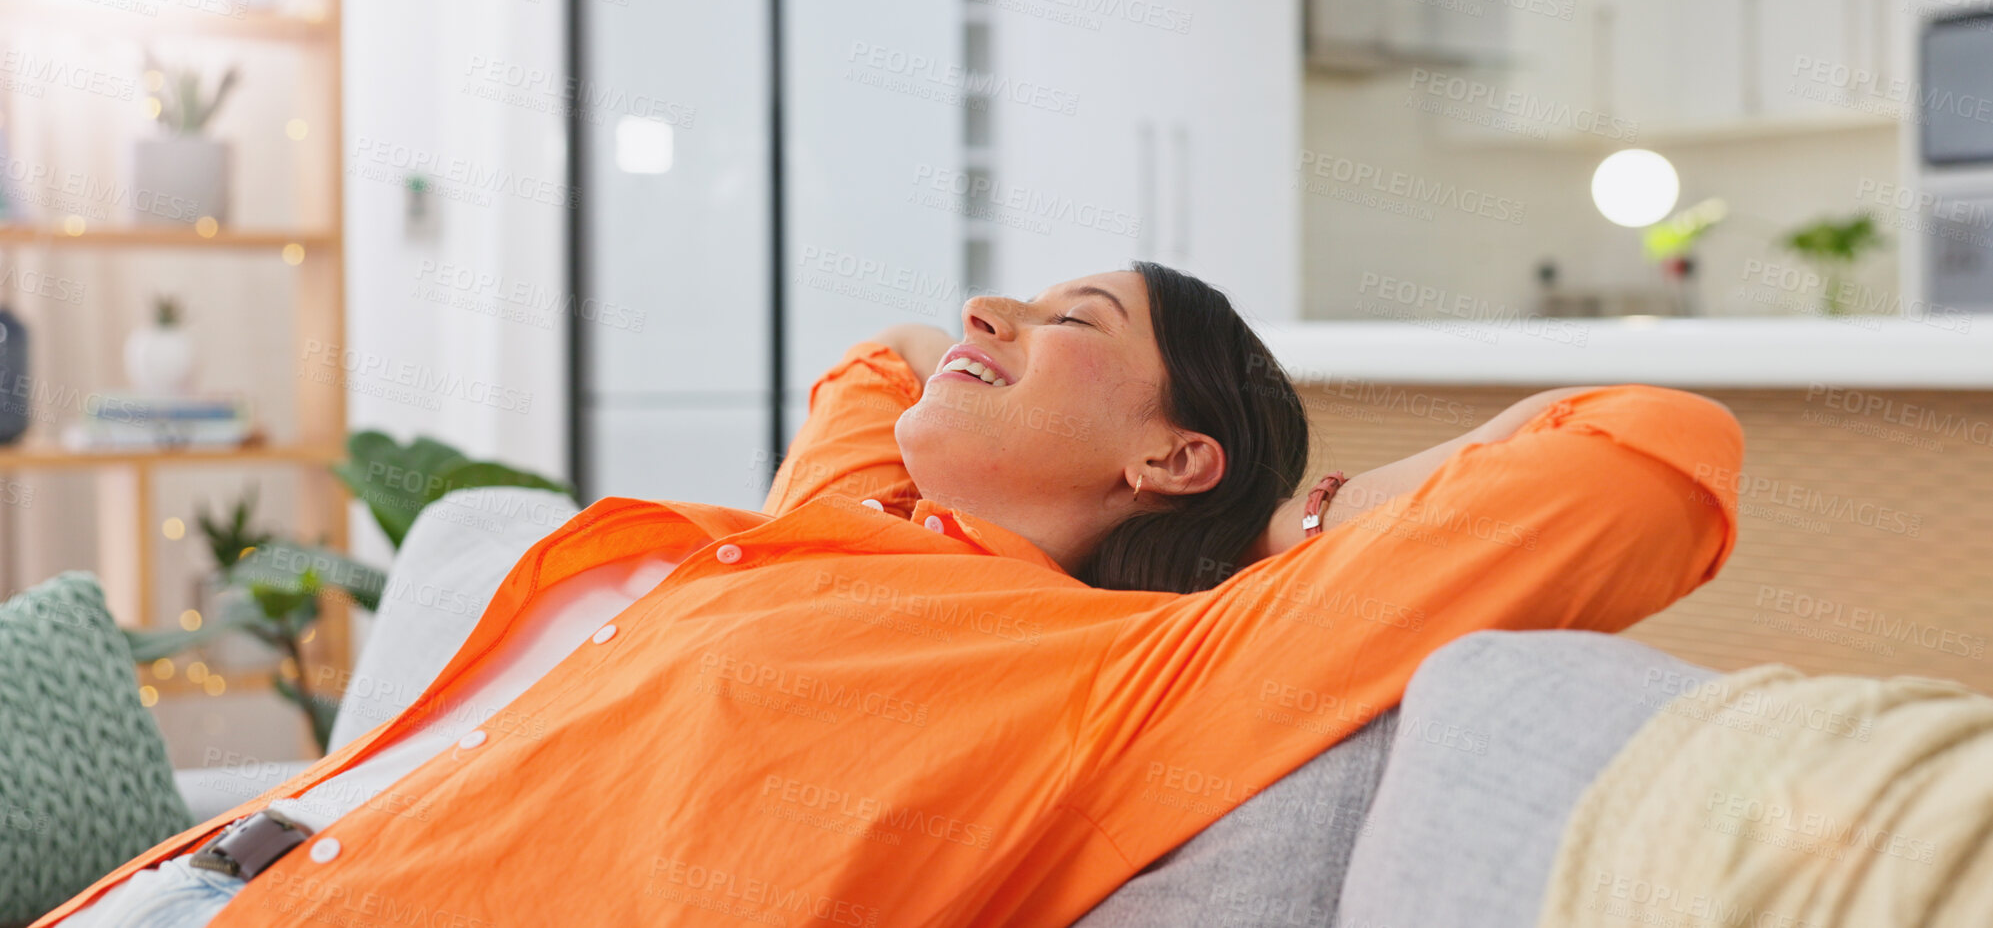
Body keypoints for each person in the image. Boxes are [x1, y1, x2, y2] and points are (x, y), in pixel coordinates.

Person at [39, 263, 1742, 928]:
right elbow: (885, 362)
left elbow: (1640, 457)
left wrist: (1336, 528)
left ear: (1172, 463)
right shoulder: (853, 528)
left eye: (1077, 320)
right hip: (192, 896)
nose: (992, 305)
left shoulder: (1143, 668)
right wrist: (1006, 368)